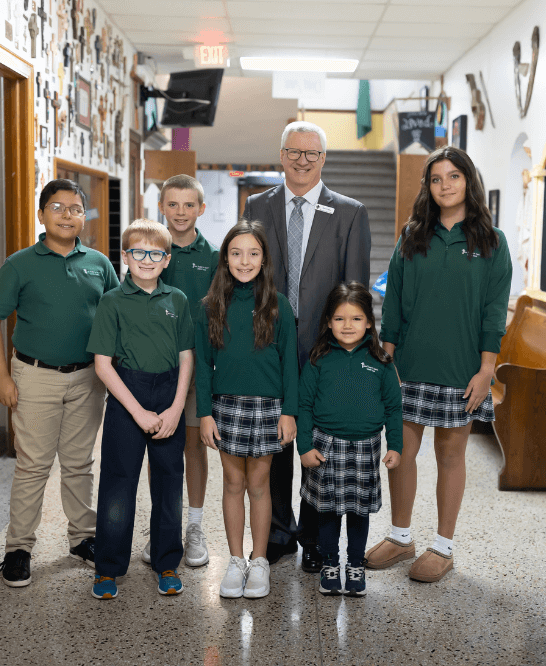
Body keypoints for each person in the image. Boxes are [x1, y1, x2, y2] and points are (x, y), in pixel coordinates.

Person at [364, 147, 513, 583]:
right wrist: (385, 358)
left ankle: (443, 547)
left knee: (451, 454)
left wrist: (487, 370)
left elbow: (493, 310)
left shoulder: (491, 240)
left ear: (469, 180)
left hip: (462, 368)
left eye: (453, 177)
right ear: (427, 186)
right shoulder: (412, 235)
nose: (444, 186)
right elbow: (392, 304)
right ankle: (400, 536)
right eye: (435, 179)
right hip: (407, 365)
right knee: (401, 453)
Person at [242, 120, 372, 572]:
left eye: (311, 154)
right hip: (269, 345)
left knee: (320, 442)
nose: (302, 160)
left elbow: (354, 288)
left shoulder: (350, 212)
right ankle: (279, 530)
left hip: (323, 348)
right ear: (282, 156)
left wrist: (347, 347)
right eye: (294, 152)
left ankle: (317, 538)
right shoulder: (257, 205)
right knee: (275, 441)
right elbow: (247, 272)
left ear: (323, 159)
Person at [0, 179, 119, 588]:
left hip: (88, 378)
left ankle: (82, 538)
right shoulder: (20, 263)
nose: (67, 215)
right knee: (33, 465)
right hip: (34, 376)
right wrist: (1, 376)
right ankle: (18, 549)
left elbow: (117, 314)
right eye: (58, 208)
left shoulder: (98, 262)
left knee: (79, 463)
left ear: (83, 217)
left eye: (75, 208)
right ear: (41, 215)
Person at [86, 219, 195, 599]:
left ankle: (167, 563)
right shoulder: (112, 301)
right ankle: (108, 568)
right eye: (138, 252)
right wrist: (138, 413)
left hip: (168, 394)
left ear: (166, 260)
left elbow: (186, 358)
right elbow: (103, 365)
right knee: (118, 483)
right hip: (126, 395)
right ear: (125, 257)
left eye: (155, 254)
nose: (146, 260)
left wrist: (176, 407)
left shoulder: (178, 300)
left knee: (168, 484)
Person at [195, 220, 298, 599]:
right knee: (233, 483)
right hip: (225, 408)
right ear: (225, 258)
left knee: (259, 484)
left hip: (269, 407)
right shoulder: (210, 306)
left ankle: (259, 561)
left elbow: (290, 362)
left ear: (264, 259)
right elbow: (203, 366)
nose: (244, 260)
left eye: (253, 253)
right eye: (236, 253)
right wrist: (204, 413)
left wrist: (290, 411)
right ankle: (235, 560)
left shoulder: (278, 305)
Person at [297, 283, 402, 597]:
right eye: (340, 319)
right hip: (326, 447)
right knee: (327, 512)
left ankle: (355, 564)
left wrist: (395, 445)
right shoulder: (319, 361)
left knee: (359, 512)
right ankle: (330, 562)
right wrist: (304, 446)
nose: (347, 326)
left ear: (369, 322)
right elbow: (303, 406)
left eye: (356, 319)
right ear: (328, 322)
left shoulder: (382, 363)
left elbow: (394, 407)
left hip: (366, 448)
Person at [136, 174, 219, 569]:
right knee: (161, 450)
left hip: (200, 368)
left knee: (193, 446)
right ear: (162, 208)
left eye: (189, 205)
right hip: (159, 370)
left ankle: (195, 527)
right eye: (173, 204)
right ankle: (163, 525)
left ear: (201, 209)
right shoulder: (150, 252)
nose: (181, 212)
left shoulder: (216, 257)